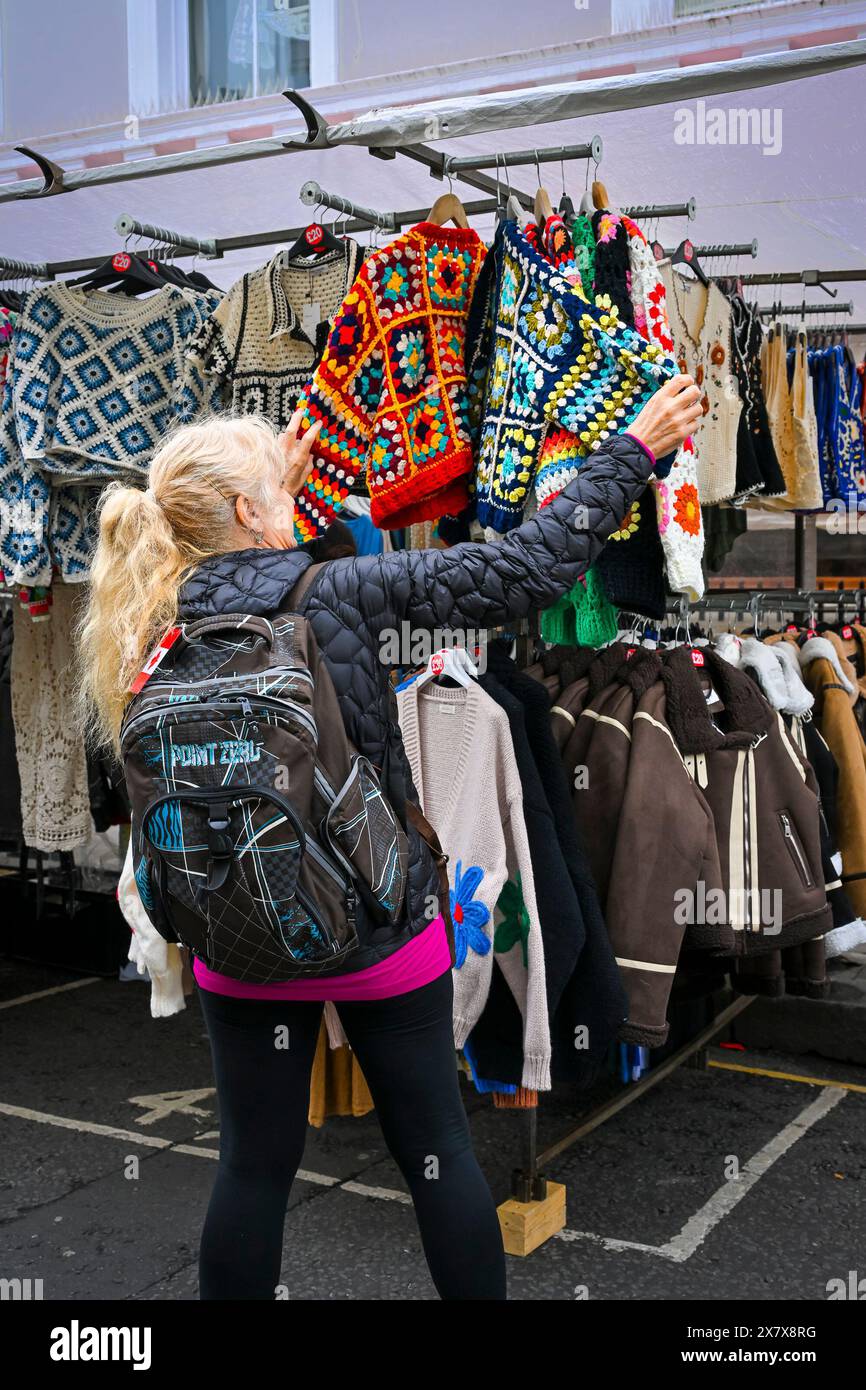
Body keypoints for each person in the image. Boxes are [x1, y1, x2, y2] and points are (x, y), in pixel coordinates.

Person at [79, 375, 702, 1302]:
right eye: (281, 493)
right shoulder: (340, 590)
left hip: (239, 937)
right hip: (376, 929)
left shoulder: (150, 616)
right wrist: (633, 452)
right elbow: (520, 572)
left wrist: (264, 491)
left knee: (251, 1168)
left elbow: (240, 569)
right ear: (252, 511)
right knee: (437, 1155)